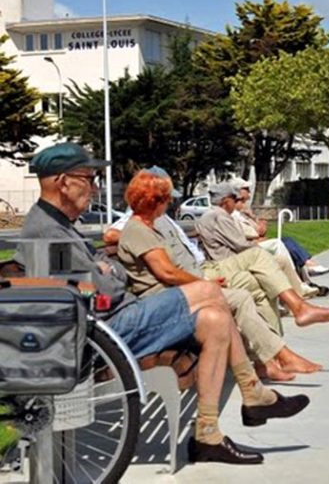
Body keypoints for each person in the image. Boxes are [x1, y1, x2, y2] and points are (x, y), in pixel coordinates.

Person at [19, 144, 308, 465]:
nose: (96, 186)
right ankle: (253, 395)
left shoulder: (58, 224)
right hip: (105, 332)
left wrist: (105, 270)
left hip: (109, 323)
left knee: (214, 319)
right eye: (89, 178)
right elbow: (95, 289)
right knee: (211, 294)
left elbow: (103, 273)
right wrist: (106, 273)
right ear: (63, 182)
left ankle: (208, 434)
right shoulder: (48, 232)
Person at [105, 170, 320, 381]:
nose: (169, 202)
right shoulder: (138, 229)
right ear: (154, 200)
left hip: (178, 292)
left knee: (248, 288)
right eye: (166, 198)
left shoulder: (146, 227)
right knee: (239, 298)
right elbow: (167, 272)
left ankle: (273, 357)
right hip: (168, 299)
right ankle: (279, 355)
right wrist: (205, 284)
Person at [197, 182, 329, 328]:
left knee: (277, 260)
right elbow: (241, 245)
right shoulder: (219, 216)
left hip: (229, 260)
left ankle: (298, 303)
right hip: (227, 261)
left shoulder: (213, 215)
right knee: (266, 258)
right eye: (235, 200)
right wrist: (259, 245)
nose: (237, 204)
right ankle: (299, 304)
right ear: (225, 201)